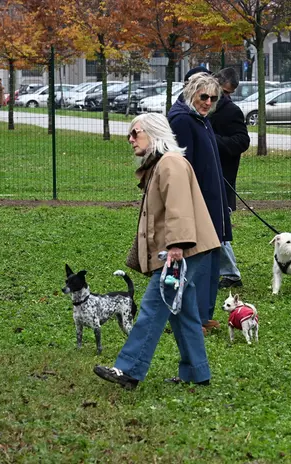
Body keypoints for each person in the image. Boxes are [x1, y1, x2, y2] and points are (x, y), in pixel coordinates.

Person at [93, 113, 220, 390]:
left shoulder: (170, 163)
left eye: (135, 133)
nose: (130, 139)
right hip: (185, 247)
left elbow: (179, 207)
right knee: (182, 311)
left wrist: (176, 246)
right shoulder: (161, 164)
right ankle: (197, 373)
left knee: (154, 305)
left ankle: (128, 370)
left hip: (182, 248)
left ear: (153, 133)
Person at [167, 72, 231, 335]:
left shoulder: (201, 119)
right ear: (191, 92)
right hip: (197, 203)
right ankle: (189, 318)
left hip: (212, 200)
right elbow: (182, 168)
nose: (208, 102)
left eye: (213, 98)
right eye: (203, 96)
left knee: (212, 256)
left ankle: (203, 315)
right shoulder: (182, 119)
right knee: (197, 261)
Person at [210, 67, 250, 289]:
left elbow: (242, 141)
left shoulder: (231, 111)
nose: (224, 97)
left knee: (218, 226)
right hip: (202, 174)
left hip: (222, 177)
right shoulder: (200, 105)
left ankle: (231, 274)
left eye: (228, 94)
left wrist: (212, 140)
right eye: (223, 91)